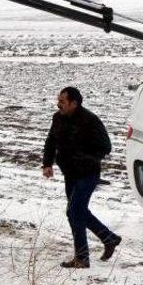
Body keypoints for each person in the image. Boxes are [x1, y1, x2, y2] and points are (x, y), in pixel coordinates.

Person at [42, 87, 121, 268]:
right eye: (58, 101)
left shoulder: (90, 120)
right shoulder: (58, 118)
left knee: (74, 211)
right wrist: (47, 163)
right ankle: (109, 238)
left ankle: (83, 258)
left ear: (74, 103)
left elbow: (105, 147)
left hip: (87, 174)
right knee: (77, 212)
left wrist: (83, 158)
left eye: (62, 102)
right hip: (70, 174)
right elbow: (51, 141)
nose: (58, 104)